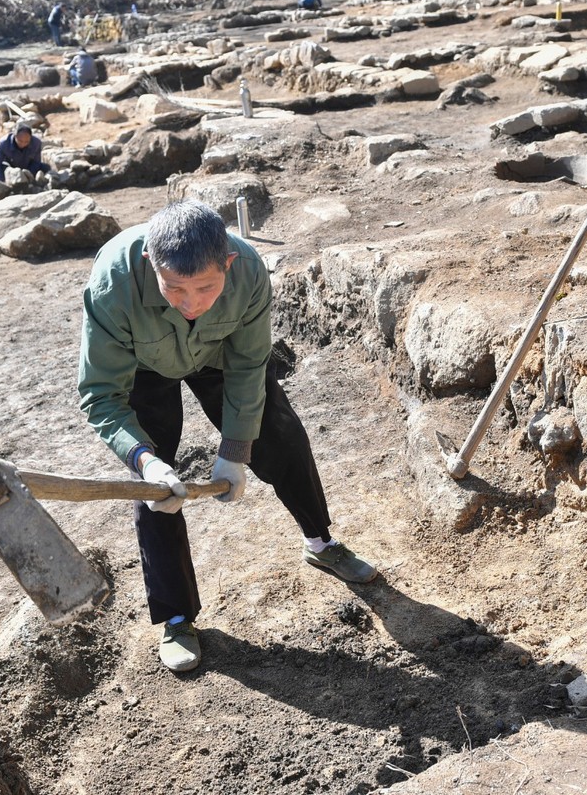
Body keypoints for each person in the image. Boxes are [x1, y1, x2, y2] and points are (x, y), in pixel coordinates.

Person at [78, 199, 378, 674]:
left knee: (284, 439)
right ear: (148, 264)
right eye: (173, 288)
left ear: (228, 265)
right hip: (142, 368)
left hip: (219, 357)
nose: (191, 302)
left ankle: (321, 543)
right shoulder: (114, 283)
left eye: (206, 287)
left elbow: (247, 367)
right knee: (155, 490)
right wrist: (144, 461)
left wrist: (236, 451)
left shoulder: (249, 272)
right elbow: (101, 396)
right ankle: (176, 615)